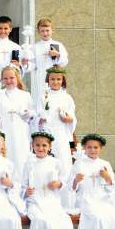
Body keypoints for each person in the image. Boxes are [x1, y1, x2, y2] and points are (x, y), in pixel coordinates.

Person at [22, 131, 75, 229]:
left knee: (62, 220)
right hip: (35, 200)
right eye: (37, 145)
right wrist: (26, 191)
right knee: (40, 220)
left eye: (44, 145)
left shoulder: (55, 163)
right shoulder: (29, 163)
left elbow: (65, 180)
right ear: (32, 146)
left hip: (51, 200)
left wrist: (59, 184)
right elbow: (22, 184)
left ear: (50, 147)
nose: (41, 148)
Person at [37, 66, 77, 209]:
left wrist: (68, 119)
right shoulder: (43, 96)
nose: (55, 82)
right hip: (46, 135)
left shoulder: (67, 98)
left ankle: (65, 202)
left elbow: (72, 117)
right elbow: (37, 114)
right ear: (48, 80)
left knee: (64, 167)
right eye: (52, 79)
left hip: (60, 135)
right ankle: (46, 199)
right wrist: (39, 120)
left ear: (63, 80)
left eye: (58, 79)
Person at [0, 66, 34, 180]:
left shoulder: (25, 95)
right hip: (5, 132)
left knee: (21, 159)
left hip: (21, 133)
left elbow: (33, 114)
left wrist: (28, 113)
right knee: (7, 159)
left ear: (17, 78)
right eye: (5, 78)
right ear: (1, 80)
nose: (9, 81)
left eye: (11, 77)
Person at [23, 17, 69, 105]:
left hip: (55, 78)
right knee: (40, 102)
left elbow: (64, 62)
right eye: (42, 31)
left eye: (47, 30)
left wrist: (58, 55)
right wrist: (26, 64)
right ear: (38, 32)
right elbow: (33, 65)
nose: (45, 33)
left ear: (52, 30)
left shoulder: (58, 45)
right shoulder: (35, 47)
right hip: (40, 78)